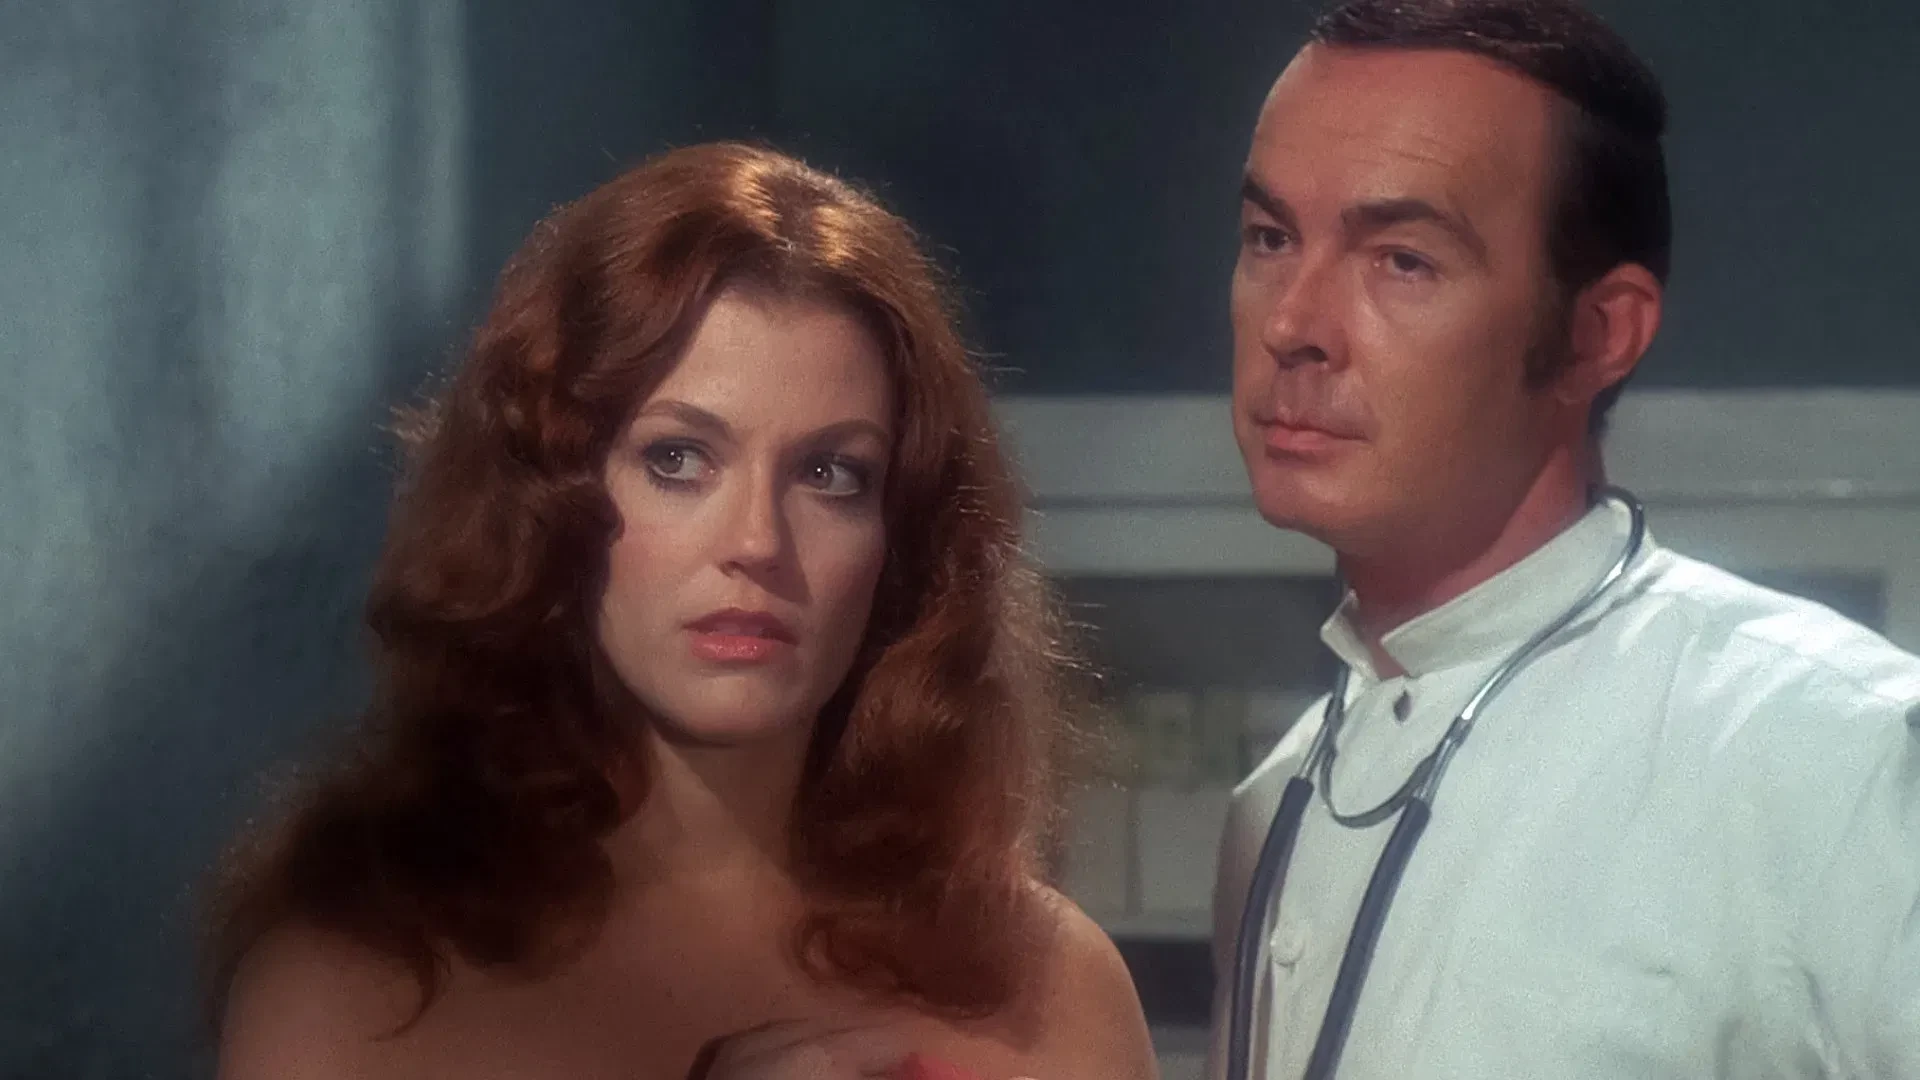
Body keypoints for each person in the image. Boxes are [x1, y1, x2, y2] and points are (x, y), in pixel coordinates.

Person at [206, 142, 1157, 1080]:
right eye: (678, 459)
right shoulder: (349, 993)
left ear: (901, 541)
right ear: (551, 497)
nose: (756, 541)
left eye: (830, 474)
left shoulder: (1053, 992)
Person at [1208, 1, 1920, 1077]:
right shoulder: (1276, 801)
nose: (1291, 324)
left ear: (1599, 334)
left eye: (1401, 260)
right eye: (1271, 239)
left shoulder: (1832, 757)